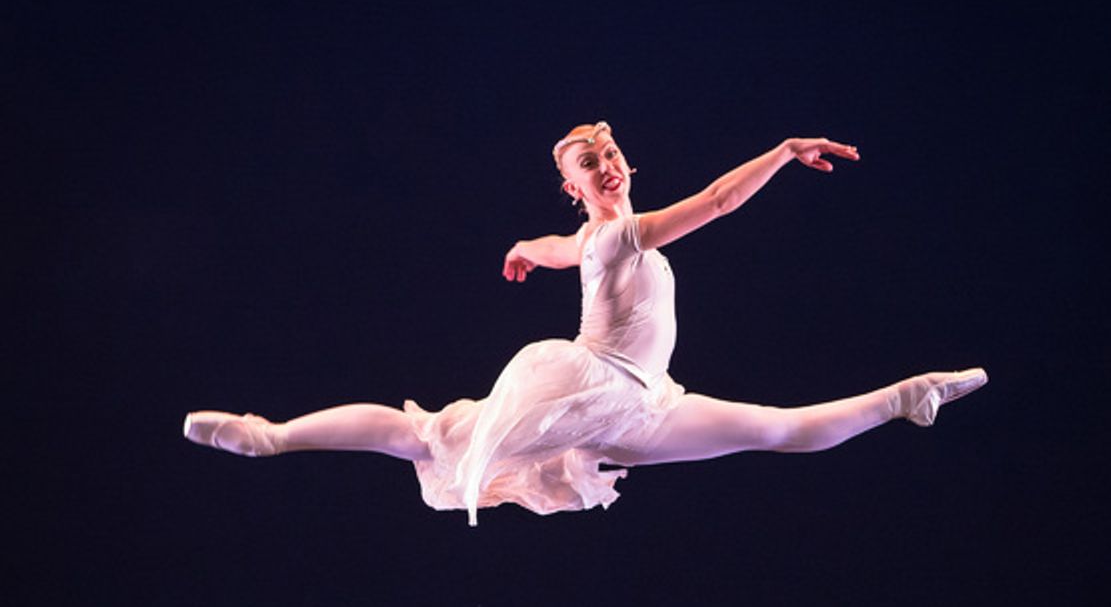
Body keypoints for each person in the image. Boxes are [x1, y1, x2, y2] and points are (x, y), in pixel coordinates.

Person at [184, 122, 986, 526]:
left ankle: (905, 398)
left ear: (624, 162)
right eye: (586, 164)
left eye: (609, 153)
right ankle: (270, 435)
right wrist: (780, 152)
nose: (605, 164)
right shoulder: (615, 233)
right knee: (426, 435)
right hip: (593, 387)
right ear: (577, 186)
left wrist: (523, 250)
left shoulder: (585, 237)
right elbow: (714, 203)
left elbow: (556, 248)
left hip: (650, 400)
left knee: (776, 432)